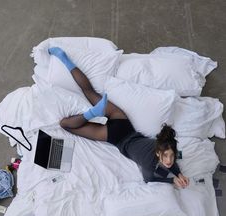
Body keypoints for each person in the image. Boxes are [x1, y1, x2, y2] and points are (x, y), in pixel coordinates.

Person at [48, 47, 189, 189]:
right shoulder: (149, 163)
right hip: (116, 137)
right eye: (166, 156)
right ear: (158, 152)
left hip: (123, 122)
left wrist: (179, 174)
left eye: (171, 156)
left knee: (89, 92)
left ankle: (63, 58)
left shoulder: (162, 143)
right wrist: (172, 180)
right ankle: (90, 114)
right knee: (64, 124)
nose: (169, 160)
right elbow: (149, 179)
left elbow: (170, 162)